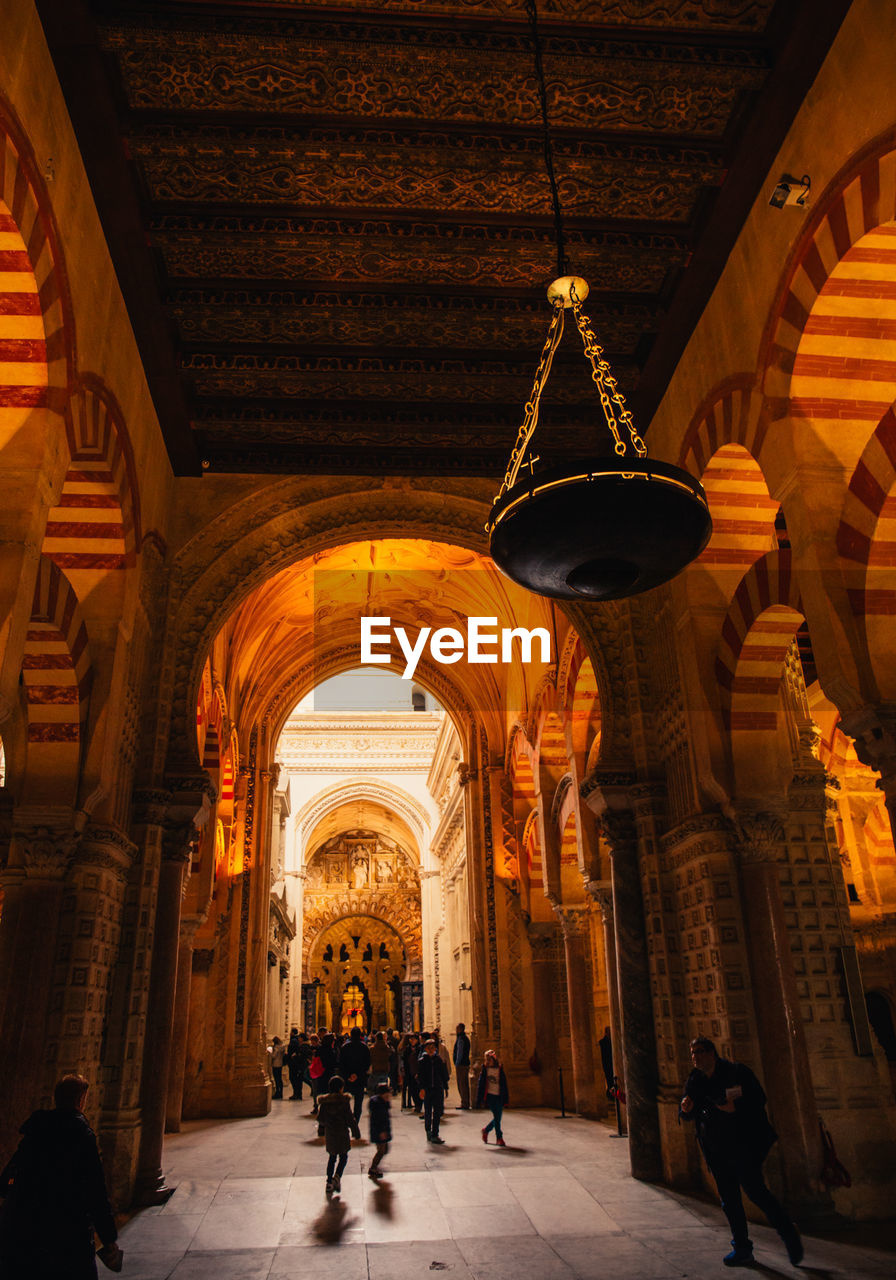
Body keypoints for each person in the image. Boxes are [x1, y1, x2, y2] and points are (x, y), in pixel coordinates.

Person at [680, 1036, 802, 1268]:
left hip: (742, 1144)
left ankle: (788, 1233)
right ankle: (742, 1248)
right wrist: (685, 1109)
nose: (695, 1056)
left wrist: (736, 1107)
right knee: (729, 1200)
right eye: (692, 1052)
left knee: (756, 1192)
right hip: (715, 1149)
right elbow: (689, 1112)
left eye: (700, 1051)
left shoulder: (736, 1072)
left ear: (712, 1053)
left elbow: (759, 1099)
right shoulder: (695, 1080)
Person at [0, 1073, 122, 1278]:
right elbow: (96, 1191)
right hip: (68, 1233)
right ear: (80, 1100)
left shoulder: (36, 1130)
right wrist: (109, 1238)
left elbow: (8, 1176)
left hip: (28, 1230)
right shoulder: (81, 1135)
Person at [316, 1074, 360, 1195]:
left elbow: (320, 1119)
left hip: (331, 1133)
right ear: (341, 1088)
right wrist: (356, 1132)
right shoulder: (344, 1101)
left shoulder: (324, 1102)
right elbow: (350, 1119)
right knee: (344, 1156)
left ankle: (329, 1182)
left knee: (332, 1157)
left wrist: (323, 1128)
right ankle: (337, 1176)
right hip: (342, 1133)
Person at [417, 1037, 449, 1143]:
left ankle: (435, 1133)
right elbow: (420, 1077)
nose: (431, 1050)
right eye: (429, 1048)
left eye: (433, 1047)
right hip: (427, 1089)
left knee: (437, 1112)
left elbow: (443, 1075)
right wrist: (421, 1088)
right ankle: (428, 1130)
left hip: (437, 1089)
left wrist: (445, 1087)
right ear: (425, 1049)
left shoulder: (439, 1060)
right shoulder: (422, 1061)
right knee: (428, 1112)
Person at [339, 1025, 372, 1122]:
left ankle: (347, 1120)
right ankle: (355, 1122)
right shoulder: (364, 1047)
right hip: (360, 1079)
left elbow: (341, 1063)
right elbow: (367, 1063)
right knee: (358, 1103)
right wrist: (357, 1075)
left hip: (347, 1079)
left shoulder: (345, 1047)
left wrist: (348, 1075)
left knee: (346, 1102)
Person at [476, 1048, 509, 1146]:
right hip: (490, 1097)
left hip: (498, 1096)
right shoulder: (485, 1071)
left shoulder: (499, 1070)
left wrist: (506, 1098)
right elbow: (481, 1085)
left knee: (497, 1118)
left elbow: (504, 1085)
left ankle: (486, 1130)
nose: (487, 1062)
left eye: (489, 1059)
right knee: (497, 1117)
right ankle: (499, 1138)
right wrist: (479, 1099)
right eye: (486, 1060)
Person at [367, 1081, 392, 1181]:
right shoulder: (378, 1105)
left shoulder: (383, 1103)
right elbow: (379, 1119)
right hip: (379, 1132)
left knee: (384, 1150)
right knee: (381, 1151)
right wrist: (382, 1131)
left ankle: (374, 1166)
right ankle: (373, 1168)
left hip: (381, 1131)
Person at [453, 1022, 471, 1109]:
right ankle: (465, 1102)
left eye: (457, 1028)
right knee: (463, 1083)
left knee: (462, 1084)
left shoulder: (461, 1039)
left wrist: (457, 1063)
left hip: (462, 1065)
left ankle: (465, 1103)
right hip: (464, 1063)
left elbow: (460, 1052)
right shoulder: (464, 1038)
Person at [269, 1035, 286, 1100]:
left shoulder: (276, 1048)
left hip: (275, 1064)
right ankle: (280, 1092)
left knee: (276, 1079)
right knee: (279, 1079)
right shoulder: (282, 1047)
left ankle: (277, 1092)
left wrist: (270, 1052)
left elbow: (274, 1056)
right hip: (280, 1063)